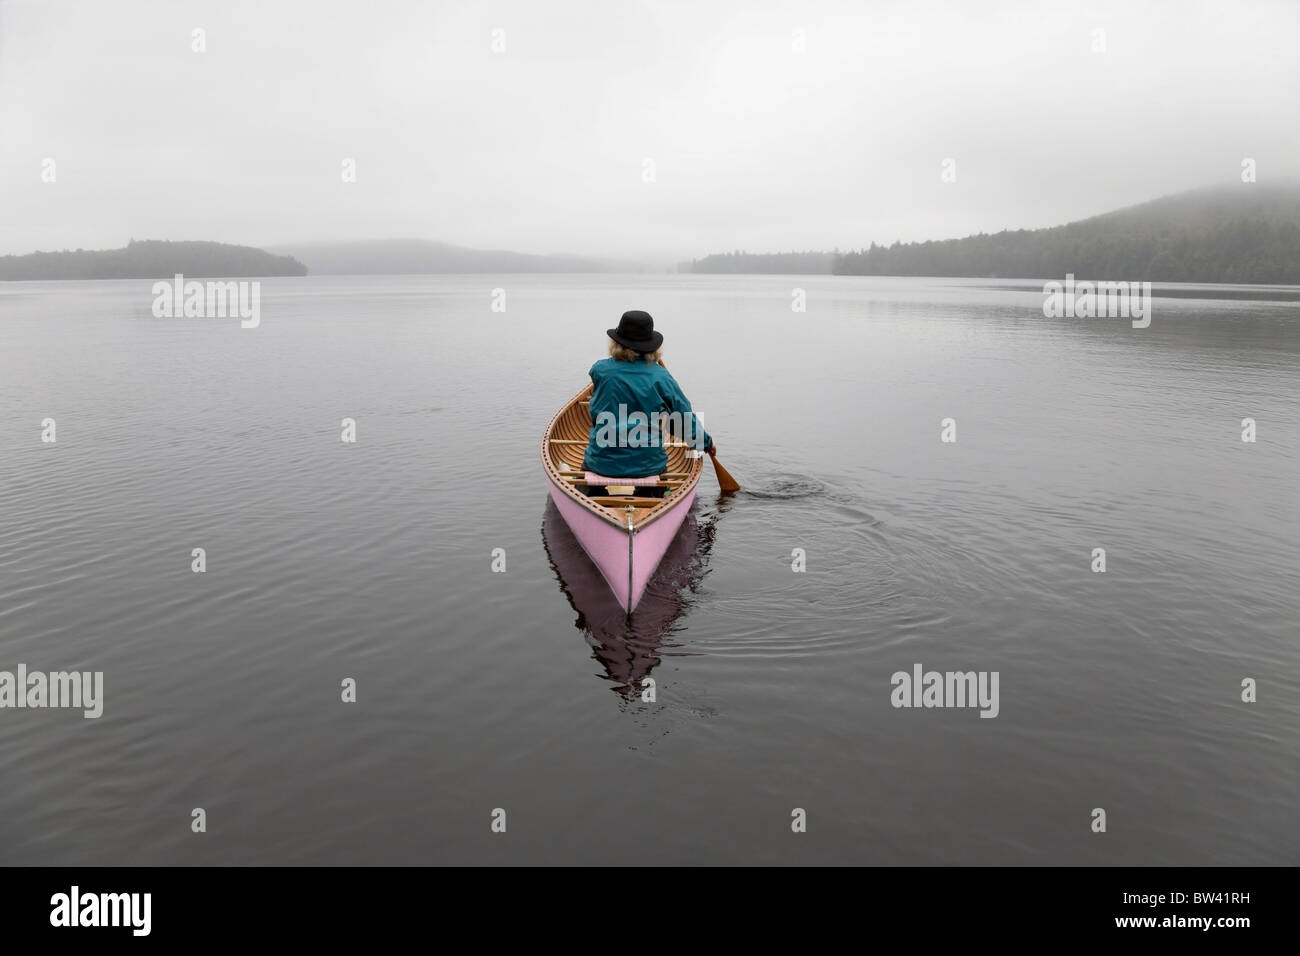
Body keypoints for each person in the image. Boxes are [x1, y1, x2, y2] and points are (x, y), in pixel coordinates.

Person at [582, 310, 716, 486]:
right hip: (648, 467)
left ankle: (587, 498)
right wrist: (706, 443)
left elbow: (595, 410)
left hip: (601, 465)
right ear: (651, 346)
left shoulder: (601, 370)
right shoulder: (661, 377)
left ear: (616, 343)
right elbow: (682, 419)